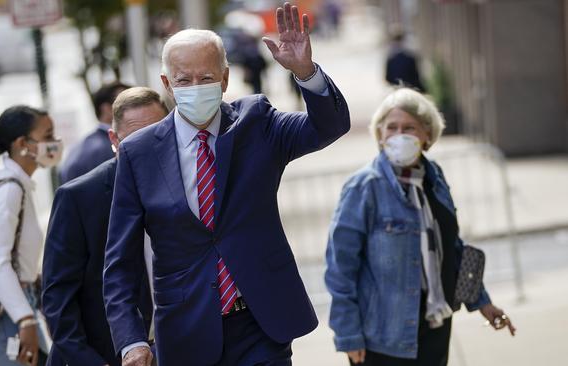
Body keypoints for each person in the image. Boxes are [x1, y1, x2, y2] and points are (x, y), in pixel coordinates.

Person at [103, 2, 351, 365]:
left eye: (205, 78)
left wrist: (306, 73)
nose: (193, 87)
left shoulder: (258, 123)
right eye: (183, 80)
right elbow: (120, 263)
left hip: (261, 322)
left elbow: (328, 127)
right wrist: (131, 340)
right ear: (166, 83)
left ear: (224, 79)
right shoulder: (138, 153)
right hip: (187, 329)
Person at [324, 88, 515, 366]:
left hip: (435, 326)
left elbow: (451, 246)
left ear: (427, 136)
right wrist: (348, 334)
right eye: (391, 127)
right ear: (380, 135)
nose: (399, 135)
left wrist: (482, 301)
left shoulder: (434, 176)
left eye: (409, 128)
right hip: (384, 336)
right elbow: (340, 267)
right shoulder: (364, 187)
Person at [42, 87, 168, 366]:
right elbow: (58, 300)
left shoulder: (188, 187)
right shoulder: (79, 198)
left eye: (157, 136)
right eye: (136, 140)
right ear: (114, 139)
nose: (148, 149)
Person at [0, 106, 63, 366]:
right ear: (22, 144)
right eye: (48, 134)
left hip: (17, 308)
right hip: (5, 317)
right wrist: (25, 319)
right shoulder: (8, 191)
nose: (55, 142)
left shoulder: (18, 186)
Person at [59, 82, 129, 184]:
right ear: (106, 109)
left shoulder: (79, 147)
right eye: (127, 104)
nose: (135, 109)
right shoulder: (109, 148)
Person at [385, 28, 426, 92]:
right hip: (410, 89)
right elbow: (416, 77)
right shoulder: (410, 57)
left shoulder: (390, 59)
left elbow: (387, 78)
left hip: (396, 90)